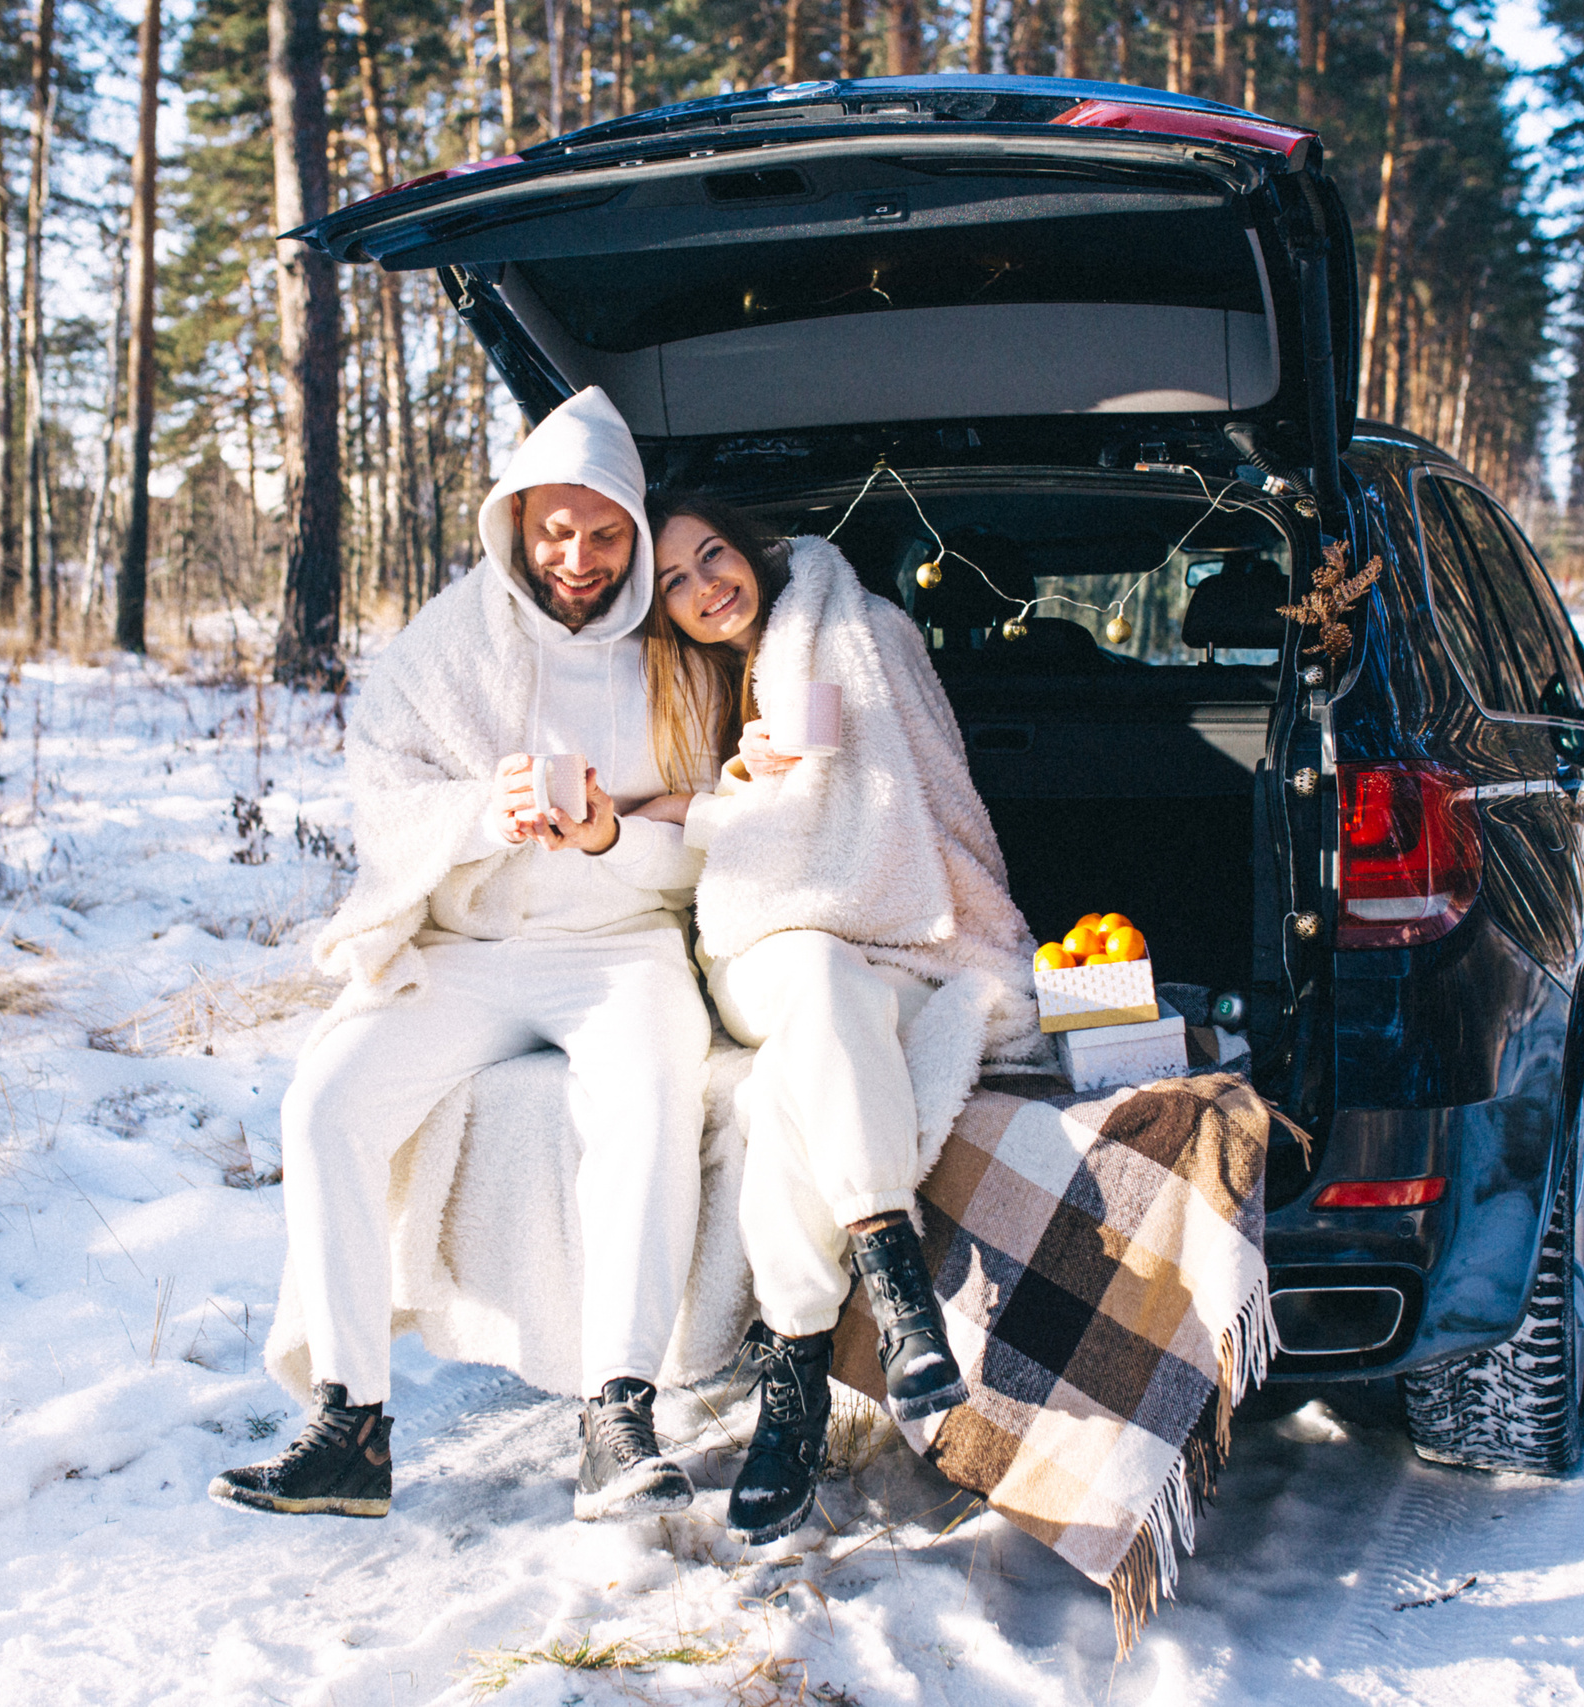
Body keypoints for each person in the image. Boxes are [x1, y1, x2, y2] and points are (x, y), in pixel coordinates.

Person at [209, 389, 711, 1524]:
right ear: (514, 519)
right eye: (555, 529)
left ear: (636, 532)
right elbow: (384, 802)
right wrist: (484, 814)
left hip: (622, 946)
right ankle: (350, 1425)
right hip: (472, 945)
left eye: (605, 534)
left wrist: (612, 837)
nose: (577, 558)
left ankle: (619, 1413)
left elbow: (715, 839)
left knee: (648, 1097)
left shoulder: (679, 657)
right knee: (327, 1101)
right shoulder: (444, 644)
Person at [633, 493, 1046, 1544]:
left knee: (789, 1092)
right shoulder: (682, 681)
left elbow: (898, 799)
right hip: (765, 945)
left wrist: (792, 791)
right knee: (815, 972)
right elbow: (704, 819)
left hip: (896, 938)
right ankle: (895, 1278)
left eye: (712, 555)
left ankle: (797, 1379)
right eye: (675, 581)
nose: (704, 588)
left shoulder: (862, 635)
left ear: (751, 547)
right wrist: (736, 788)